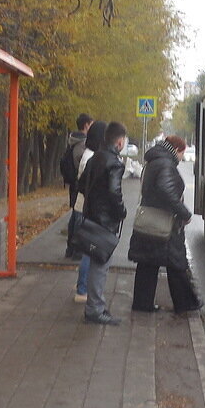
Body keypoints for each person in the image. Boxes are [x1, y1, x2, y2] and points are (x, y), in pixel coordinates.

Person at [129, 135, 202, 314]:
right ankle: (185, 304)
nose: (181, 158)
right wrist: (184, 212)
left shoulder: (154, 161)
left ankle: (142, 303)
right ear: (176, 150)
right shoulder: (166, 164)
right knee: (176, 263)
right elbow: (166, 190)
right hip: (165, 222)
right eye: (182, 154)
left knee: (148, 263)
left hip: (151, 219)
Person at [78, 121, 128, 325]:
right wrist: (121, 211)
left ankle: (94, 305)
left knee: (93, 263)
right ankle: (95, 309)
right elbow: (114, 192)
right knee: (100, 265)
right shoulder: (114, 163)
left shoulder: (94, 158)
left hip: (90, 218)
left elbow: (81, 185)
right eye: (124, 140)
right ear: (119, 141)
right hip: (105, 222)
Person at [70, 120, 106, 304]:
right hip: (87, 209)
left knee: (88, 249)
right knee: (89, 250)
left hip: (83, 207)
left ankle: (82, 285)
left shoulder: (90, 154)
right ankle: (82, 288)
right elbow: (88, 185)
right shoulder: (91, 157)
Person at [61, 113, 93, 259]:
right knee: (79, 216)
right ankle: (76, 249)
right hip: (79, 185)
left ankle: (71, 249)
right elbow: (82, 166)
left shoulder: (73, 140)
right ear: (86, 125)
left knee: (75, 215)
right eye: (91, 124)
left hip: (74, 184)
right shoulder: (83, 145)